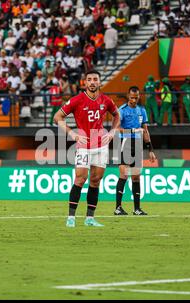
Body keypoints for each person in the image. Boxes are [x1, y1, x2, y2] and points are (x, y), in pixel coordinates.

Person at [53, 70, 120, 228]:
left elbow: (117, 115)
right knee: (80, 178)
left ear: (99, 82)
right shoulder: (77, 100)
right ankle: (71, 217)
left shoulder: (106, 100)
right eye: (89, 79)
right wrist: (72, 133)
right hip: (83, 145)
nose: (92, 82)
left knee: (95, 181)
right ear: (85, 82)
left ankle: (90, 218)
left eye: (95, 79)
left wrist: (112, 132)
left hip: (101, 146)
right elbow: (57, 117)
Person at [114, 86, 156, 216]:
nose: (134, 100)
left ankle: (137, 209)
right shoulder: (122, 110)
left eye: (136, 97)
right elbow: (116, 128)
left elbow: (145, 130)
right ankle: (118, 208)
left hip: (137, 145)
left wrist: (150, 149)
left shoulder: (141, 111)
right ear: (128, 96)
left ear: (139, 96)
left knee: (136, 177)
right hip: (125, 143)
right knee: (124, 175)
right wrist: (132, 131)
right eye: (132, 97)